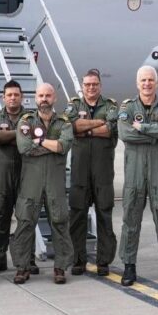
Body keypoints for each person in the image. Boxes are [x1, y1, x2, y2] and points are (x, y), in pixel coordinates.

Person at [117, 65, 158, 287]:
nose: (147, 84)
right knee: (130, 219)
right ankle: (129, 267)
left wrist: (142, 128)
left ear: (156, 83)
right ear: (137, 83)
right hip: (135, 173)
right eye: (143, 80)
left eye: (150, 80)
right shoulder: (127, 106)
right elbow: (125, 133)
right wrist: (155, 133)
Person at [11, 83, 76, 285]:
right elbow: (23, 147)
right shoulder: (26, 120)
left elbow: (64, 145)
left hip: (54, 181)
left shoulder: (63, 122)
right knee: (25, 222)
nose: (44, 99)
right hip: (32, 181)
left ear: (54, 98)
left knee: (59, 222)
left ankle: (60, 267)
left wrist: (38, 142)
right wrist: (52, 145)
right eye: (41, 95)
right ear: (35, 98)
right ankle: (22, 267)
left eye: (48, 95)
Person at [64, 69, 118, 277]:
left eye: (94, 84)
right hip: (80, 172)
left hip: (103, 172)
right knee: (77, 215)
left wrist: (85, 129)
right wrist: (98, 124)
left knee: (105, 214)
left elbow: (113, 128)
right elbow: (71, 126)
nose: (91, 87)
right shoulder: (74, 105)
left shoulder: (111, 106)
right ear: (82, 87)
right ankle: (78, 259)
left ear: (100, 86)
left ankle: (104, 261)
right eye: (87, 85)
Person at [0, 80, 27, 273]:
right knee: (1, 218)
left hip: (25, 175)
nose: (13, 98)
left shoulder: (30, 117)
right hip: (2, 176)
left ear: (22, 97)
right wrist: (19, 134)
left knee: (25, 219)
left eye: (16, 95)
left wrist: (8, 136)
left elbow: (30, 141)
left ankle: (26, 260)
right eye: (9, 95)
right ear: (4, 97)